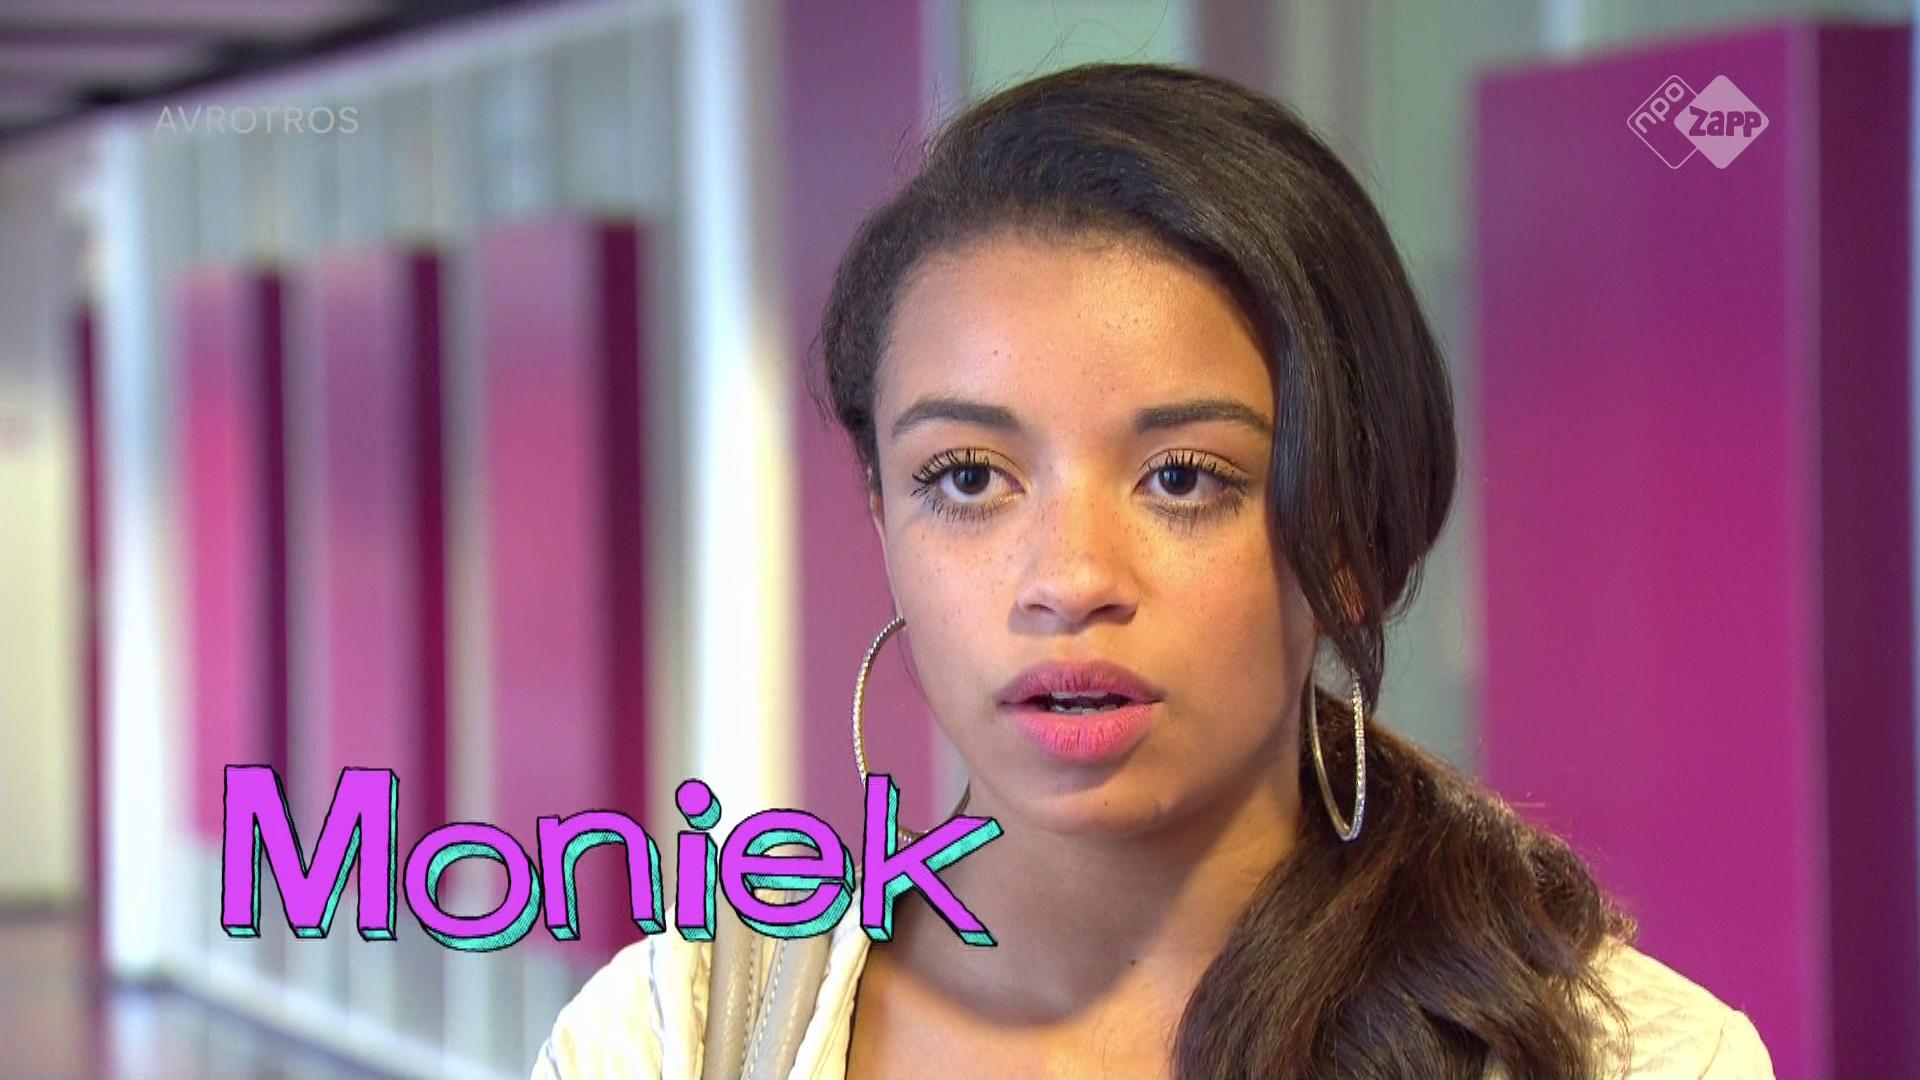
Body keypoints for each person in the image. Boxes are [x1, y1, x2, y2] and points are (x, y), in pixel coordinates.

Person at [532, 61, 1774, 1079]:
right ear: (882, 520)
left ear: (1346, 535)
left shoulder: (1636, 1058)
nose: (1069, 578)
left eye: (1183, 478)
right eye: (965, 477)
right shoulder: (668, 1038)